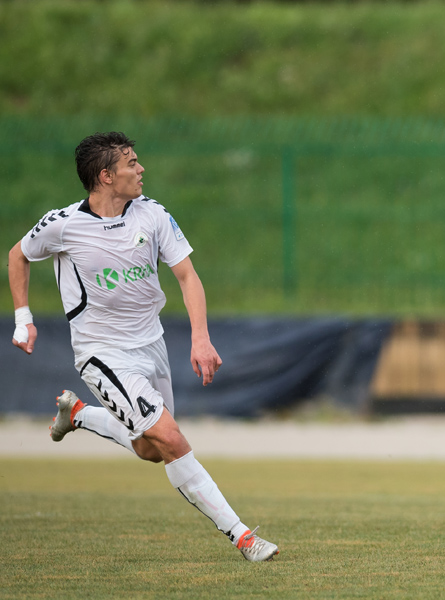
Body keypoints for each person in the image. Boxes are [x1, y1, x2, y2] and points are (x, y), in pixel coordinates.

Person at [8, 132, 279, 562]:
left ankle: (79, 416)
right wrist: (24, 318)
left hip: (152, 344)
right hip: (102, 352)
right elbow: (18, 255)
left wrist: (201, 337)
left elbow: (187, 276)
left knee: (150, 449)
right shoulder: (63, 224)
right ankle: (242, 536)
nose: (141, 169)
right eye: (132, 163)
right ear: (106, 176)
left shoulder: (153, 214)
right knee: (170, 438)